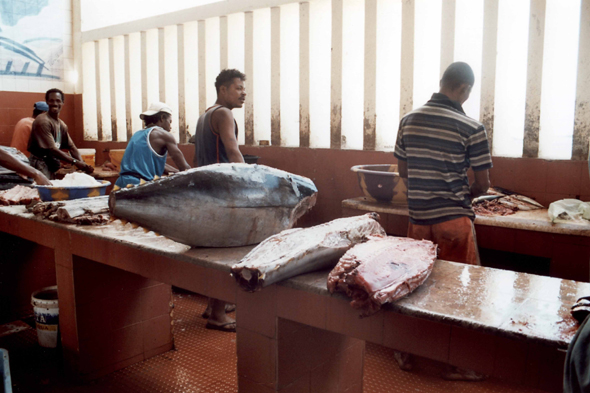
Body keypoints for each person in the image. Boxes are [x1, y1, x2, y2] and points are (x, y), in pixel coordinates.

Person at [393, 62, 493, 380]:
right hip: (454, 222)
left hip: (419, 220)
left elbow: (404, 173)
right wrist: (461, 193)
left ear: (442, 83)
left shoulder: (408, 121)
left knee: (415, 287)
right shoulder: (472, 128)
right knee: (460, 292)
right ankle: (458, 363)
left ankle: (405, 352)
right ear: (464, 89)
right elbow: (483, 184)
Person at [193, 69, 247, 332]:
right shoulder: (224, 114)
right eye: (238, 88)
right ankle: (217, 315)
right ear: (223, 90)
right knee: (227, 253)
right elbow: (233, 150)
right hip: (223, 192)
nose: (243, 92)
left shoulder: (205, 115)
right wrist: (252, 181)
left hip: (206, 191)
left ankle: (212, 306)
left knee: (214, 252)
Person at [115, 102, 191, 188]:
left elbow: (155, 163)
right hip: (139, 185)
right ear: (162, 118)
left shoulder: (137, 134)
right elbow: (184, 168)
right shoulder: (164, 135)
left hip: (121, 183)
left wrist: (176, 172)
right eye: (170, 121)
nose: (170, 127)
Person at [28, 88, 94, 179]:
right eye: (51, 100)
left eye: (58, 101)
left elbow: (72, 147)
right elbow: (52, 149)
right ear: (47, 102)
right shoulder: (42, 121)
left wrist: (82, 164)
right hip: (39, 164)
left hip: (50, 163)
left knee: (51, 188)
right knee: (43, 189)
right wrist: (76, 163)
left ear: (63, 103)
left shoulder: (61, 124)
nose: (55, 103)